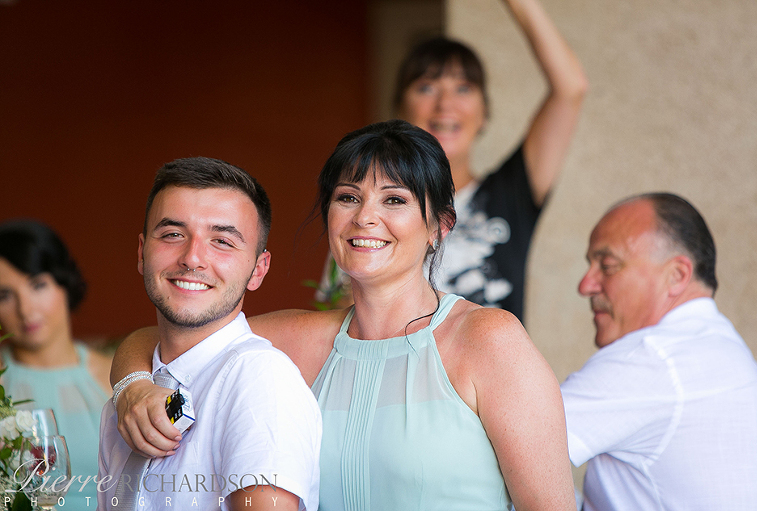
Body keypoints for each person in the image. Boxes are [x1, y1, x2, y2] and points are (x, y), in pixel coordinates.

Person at [109, 121, 575, 510]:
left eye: (395, 200)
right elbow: (170, 333)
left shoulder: (489, 340)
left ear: (439, 227)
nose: (364, 217)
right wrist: (132, 386)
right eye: (348, 197)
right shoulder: (296, 338)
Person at [317, 0, 588, 320]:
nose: (445, 104)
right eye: (426, 87)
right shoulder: (365, 214)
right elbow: (336, 322)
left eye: (463, 88)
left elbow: (570, 89)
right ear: (400, 108)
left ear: (484, 112)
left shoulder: (510, 192)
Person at [97, 157, 322, 511]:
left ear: (258, 270)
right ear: (142, 252)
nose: (192, 258)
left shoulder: (260, 380)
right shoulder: (130, 395)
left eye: (222, 241)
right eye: (173, 235)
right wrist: (130, 386)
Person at [561, 193, 757, 510]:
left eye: (608, 265)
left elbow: (497, 445)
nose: (585, 285)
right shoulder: (729, 354)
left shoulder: (655, 358)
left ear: (677, 276)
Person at [0, 219, 111, 509]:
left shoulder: (118, 375)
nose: (26, 310)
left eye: (38, 285)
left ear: (64, 283)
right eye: (5, 295)